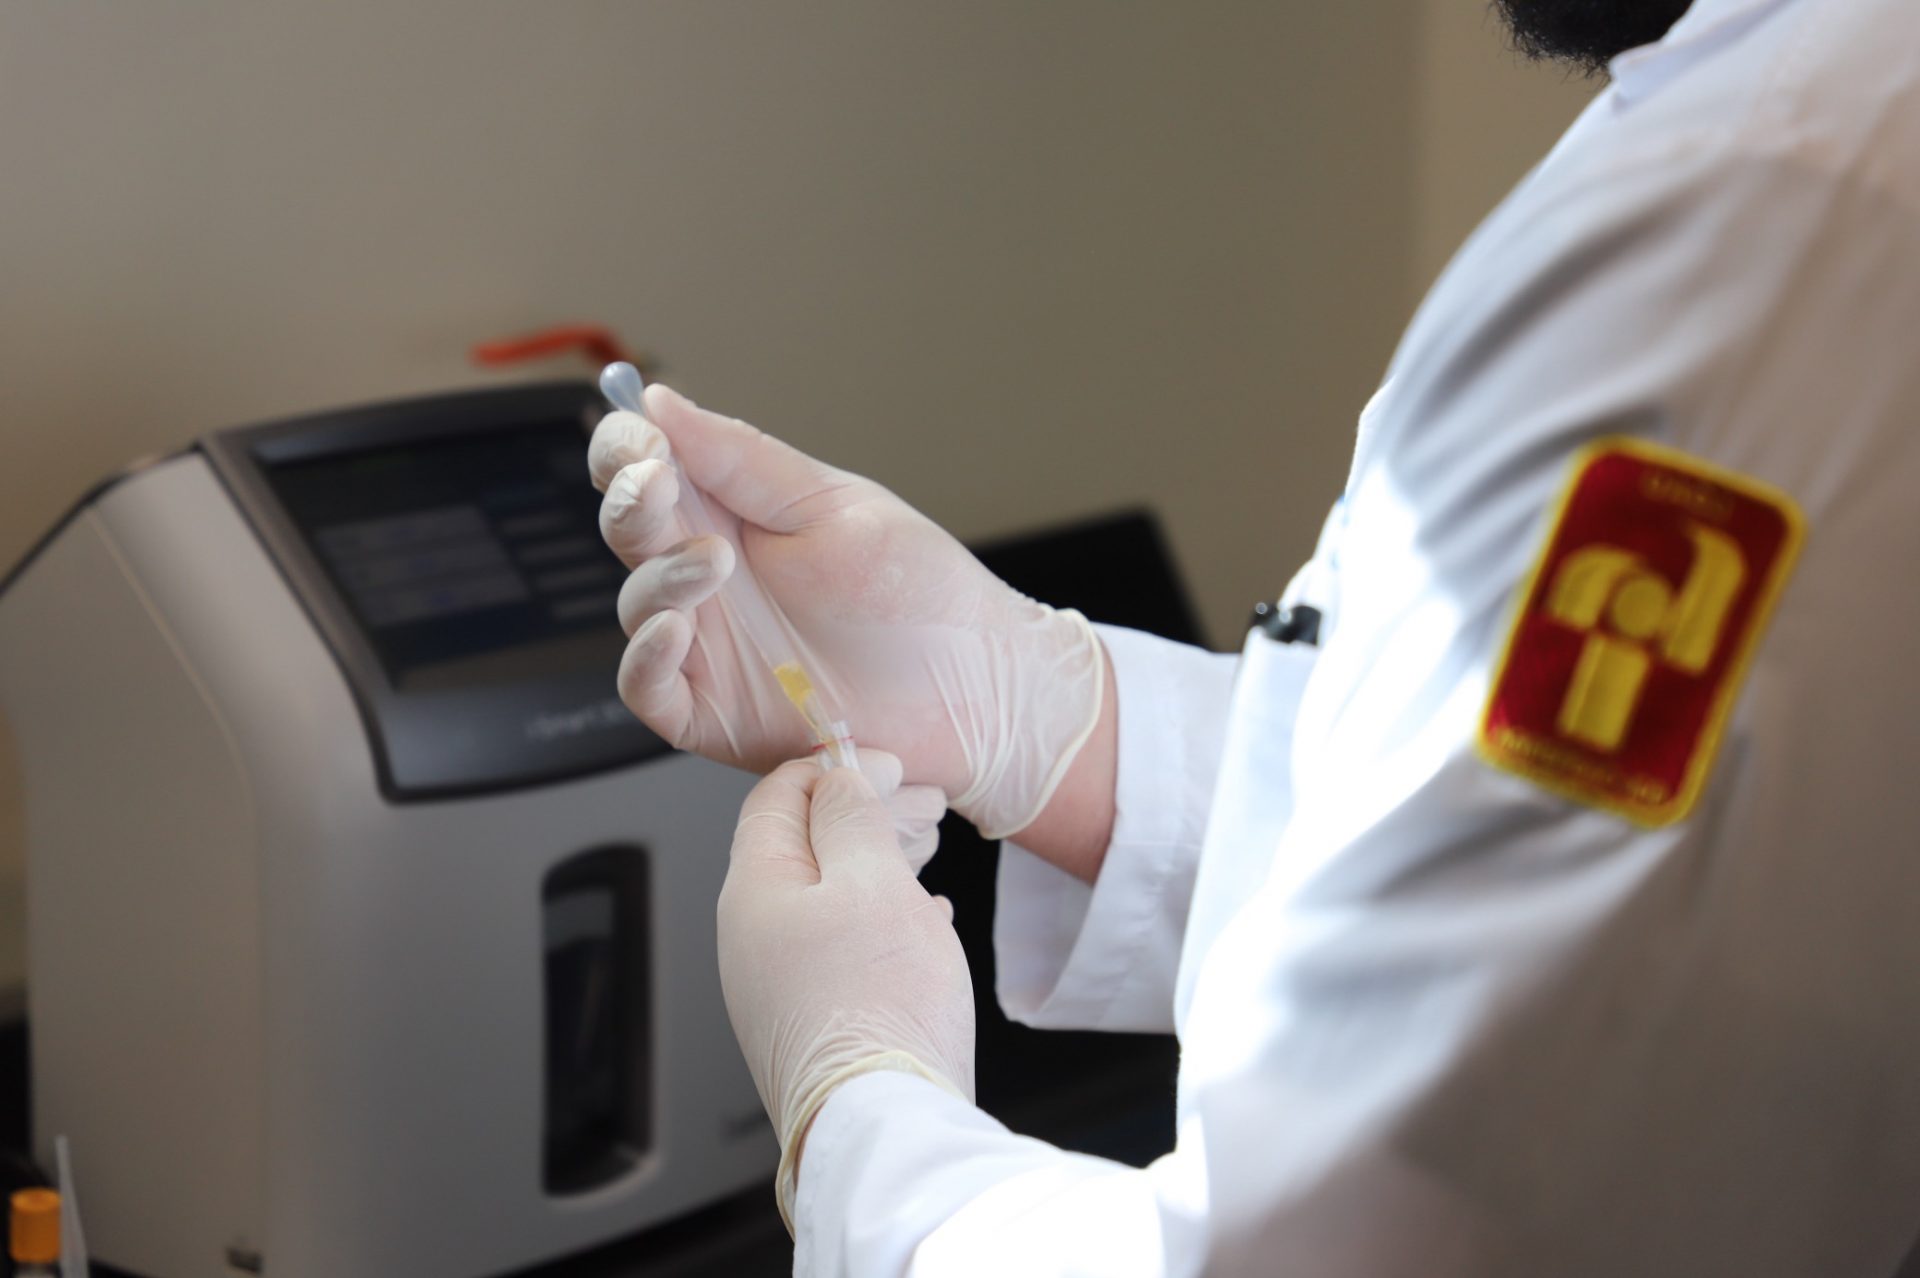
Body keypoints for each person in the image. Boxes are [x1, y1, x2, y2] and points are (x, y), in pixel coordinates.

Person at [588, 0, 1920, 1272]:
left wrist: (856, 1116)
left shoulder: (1778, 230)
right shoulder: (1769, 124)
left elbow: (1363, 1242)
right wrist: (1042, 719)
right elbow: (1524, 872)